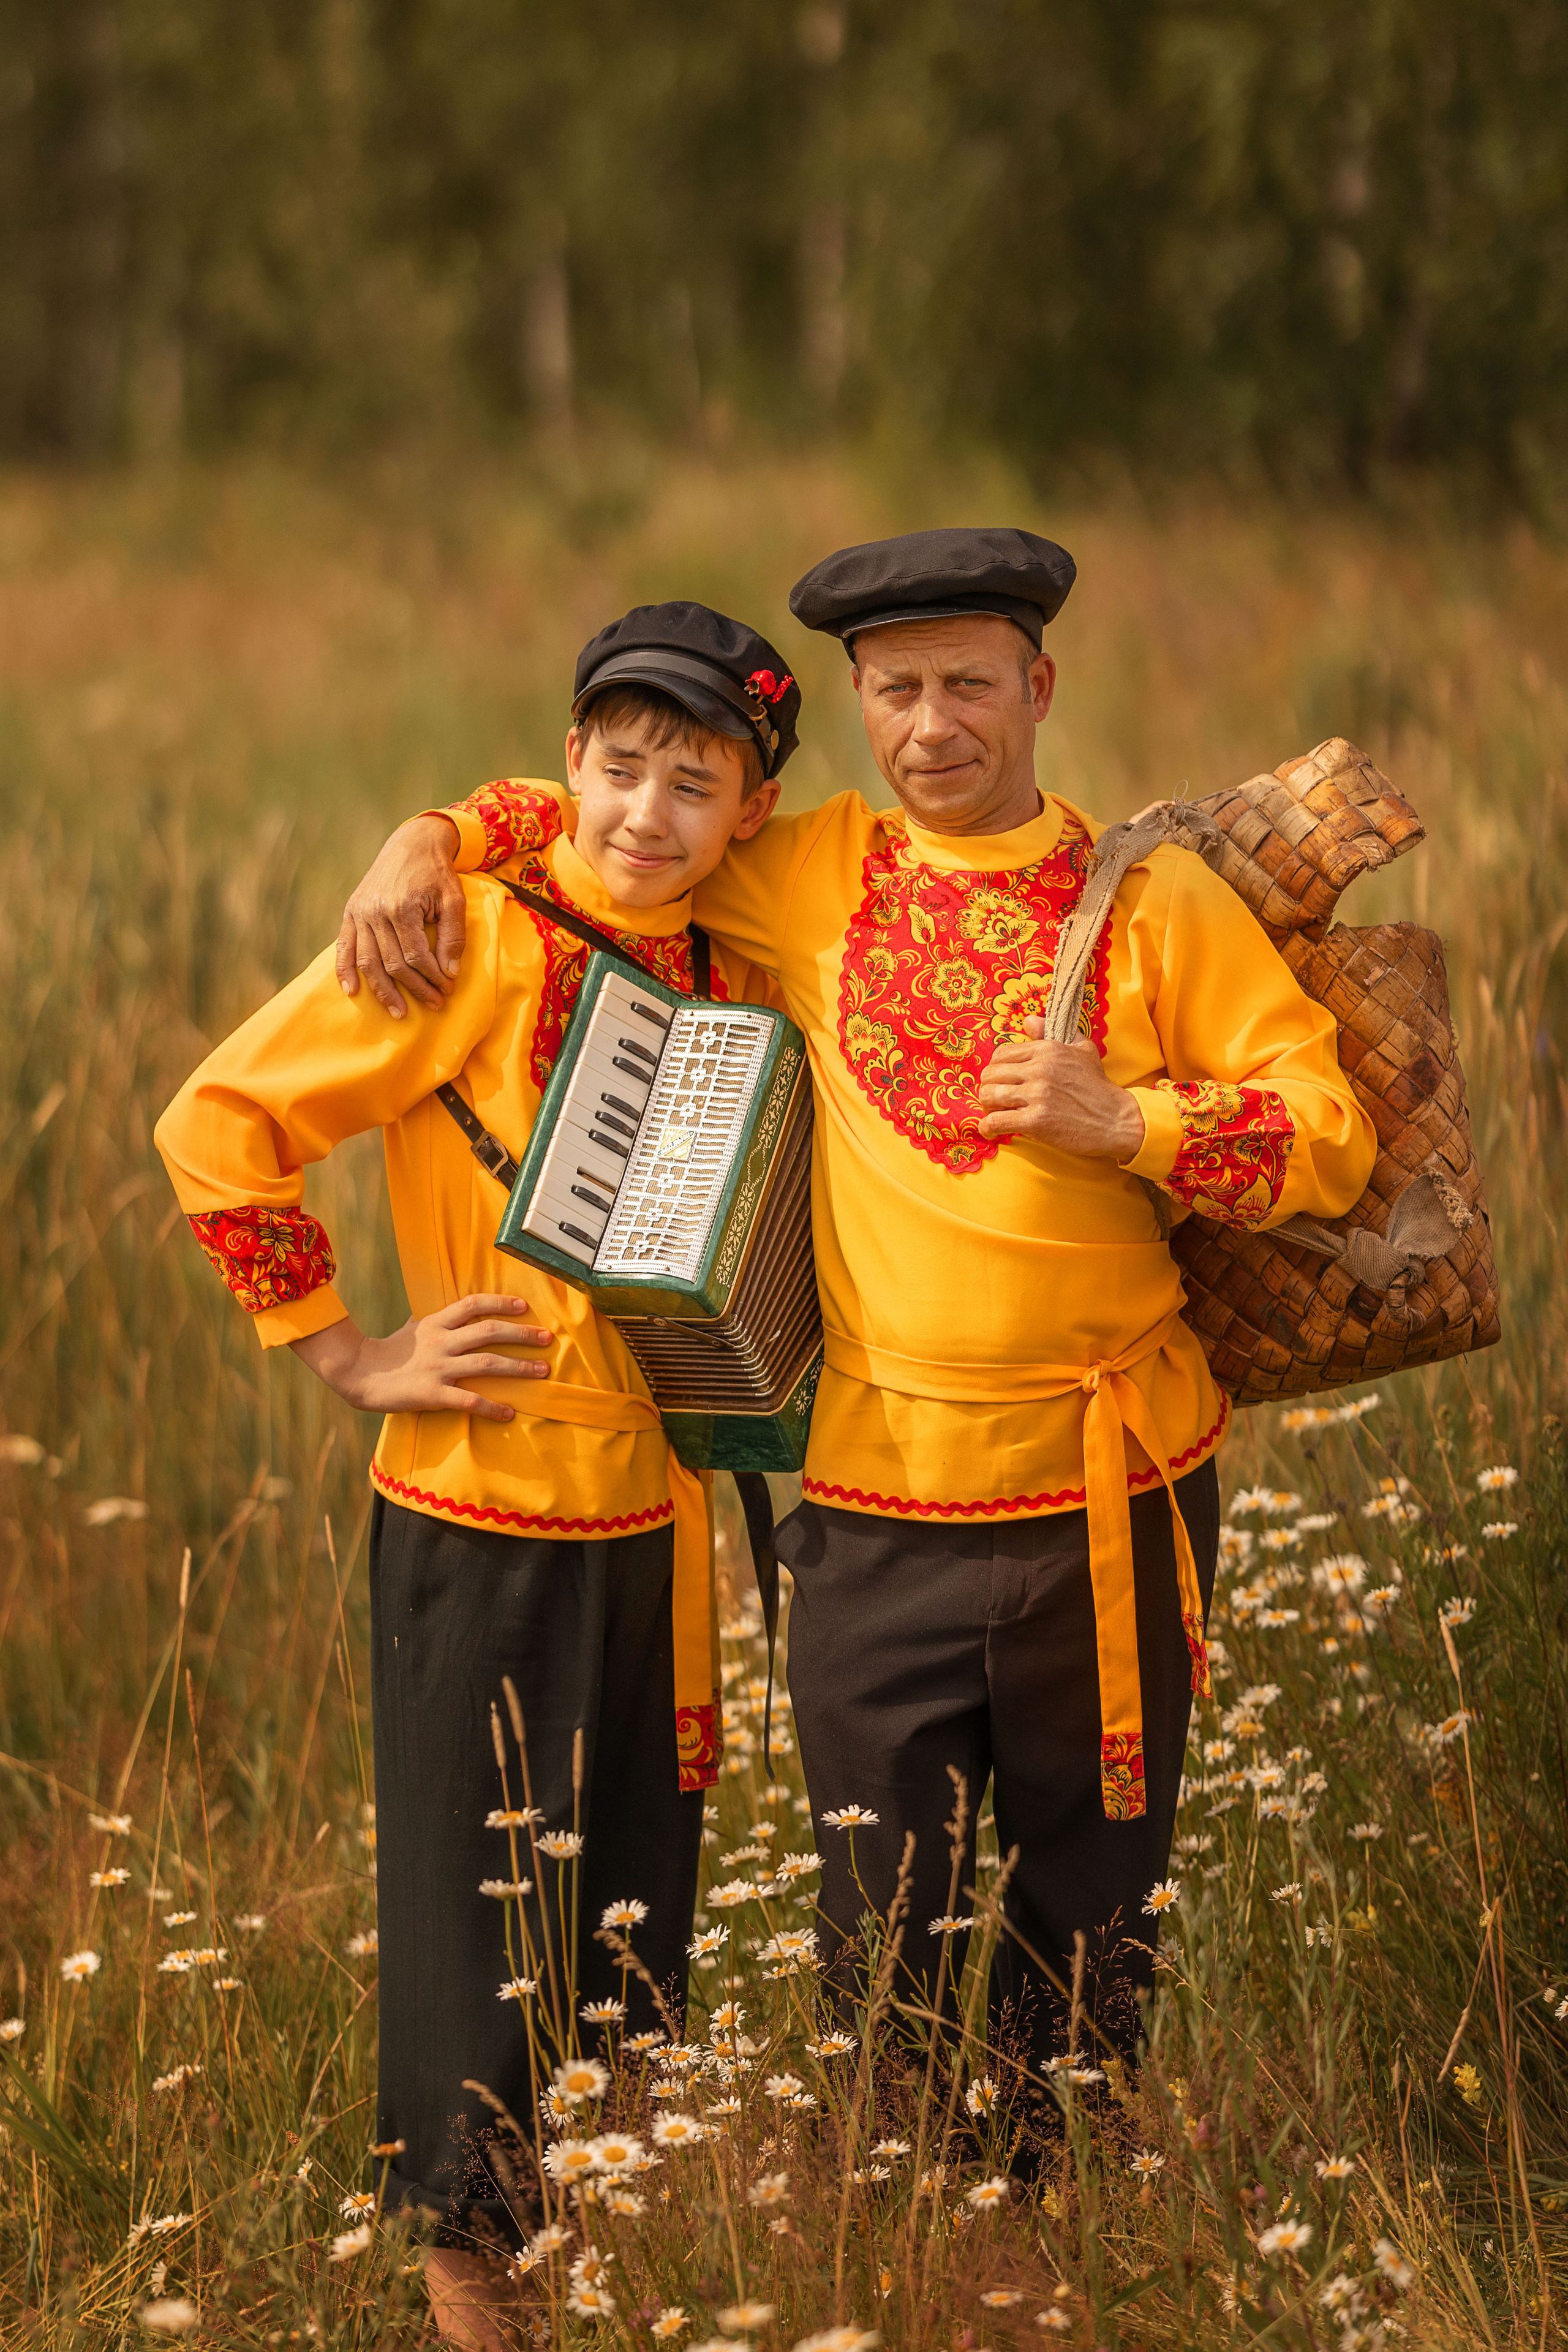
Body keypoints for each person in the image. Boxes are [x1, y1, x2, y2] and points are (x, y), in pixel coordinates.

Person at [335, 526, 1376, 2124]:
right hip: (875, 1504)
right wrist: (429, 836)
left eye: (970, 683)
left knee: (1092, 1918)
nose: (933, 724)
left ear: (1040, 688)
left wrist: (1136, 1125)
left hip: (1119, 1488)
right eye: (895, 689)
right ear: (857, 701)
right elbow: (630, 812)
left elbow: (1330, 1136)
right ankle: (899, 2247)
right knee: (878, 1933)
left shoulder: (1157, 906)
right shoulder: (802, 868)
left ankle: (1052, 2242)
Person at [156, 603, 798, 2343]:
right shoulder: (478, 945)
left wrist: (441, 815)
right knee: (478, 1943)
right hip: (480, 1505)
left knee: (626, 1925)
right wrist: (352, 1355)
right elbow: (220, 1126)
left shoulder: (736, 951)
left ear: (749, 811)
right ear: (569, 760)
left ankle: (599, 2288)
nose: (646, 813)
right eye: (618, 767)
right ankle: (475, 2316)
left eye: (696, 782)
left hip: (656, 1524)